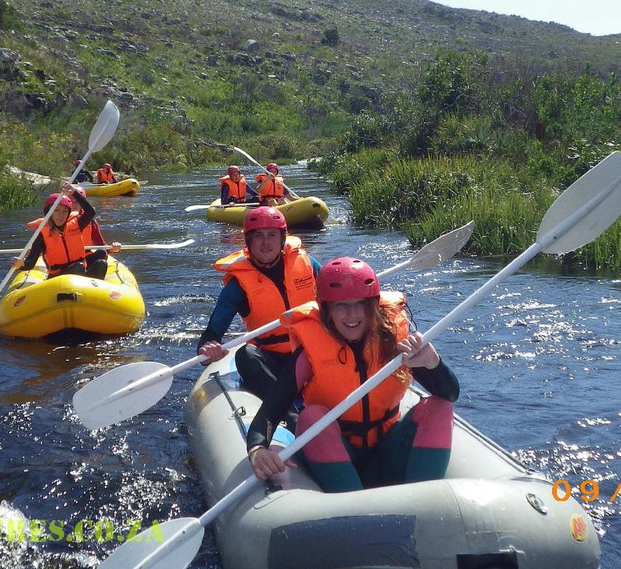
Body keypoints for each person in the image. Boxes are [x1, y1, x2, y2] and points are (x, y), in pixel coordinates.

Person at [245, 256, 458, 493]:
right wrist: (257, 448)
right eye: (341, 306)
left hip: (386, 448)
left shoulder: (395, 343)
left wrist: (433, 363)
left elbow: (450, 393)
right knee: (311, 417)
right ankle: (355, 509)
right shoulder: (309, 354)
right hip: (336, 451)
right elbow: (271, 409)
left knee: (439, 406)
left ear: (373, 307)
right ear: (327, 311)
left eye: (360, 304)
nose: (352, 315)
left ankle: (425, 502)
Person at [196, 208, 321, 397]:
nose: (265, 242)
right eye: (258, 236)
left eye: (272, 235)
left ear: (282, 239)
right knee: (245, 356)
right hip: (273, 361)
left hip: (312, 352)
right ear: (249, 242)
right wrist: (207, 351)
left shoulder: (307, 264)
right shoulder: (238, 286)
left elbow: (339, 297)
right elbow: (212, 333)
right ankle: (286, 414)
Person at [14, 182, 100, 279]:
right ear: (49, 212)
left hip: (79, 273)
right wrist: (21, 265)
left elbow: (90, 212)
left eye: (65, 211)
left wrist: (74, 193)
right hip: (57, 277)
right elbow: (30, 263)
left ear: (69, 213)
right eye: (56, 210)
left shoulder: (77, 224)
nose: (61, 215)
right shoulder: (42, 234)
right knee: (78, 267)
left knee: (101, 264)